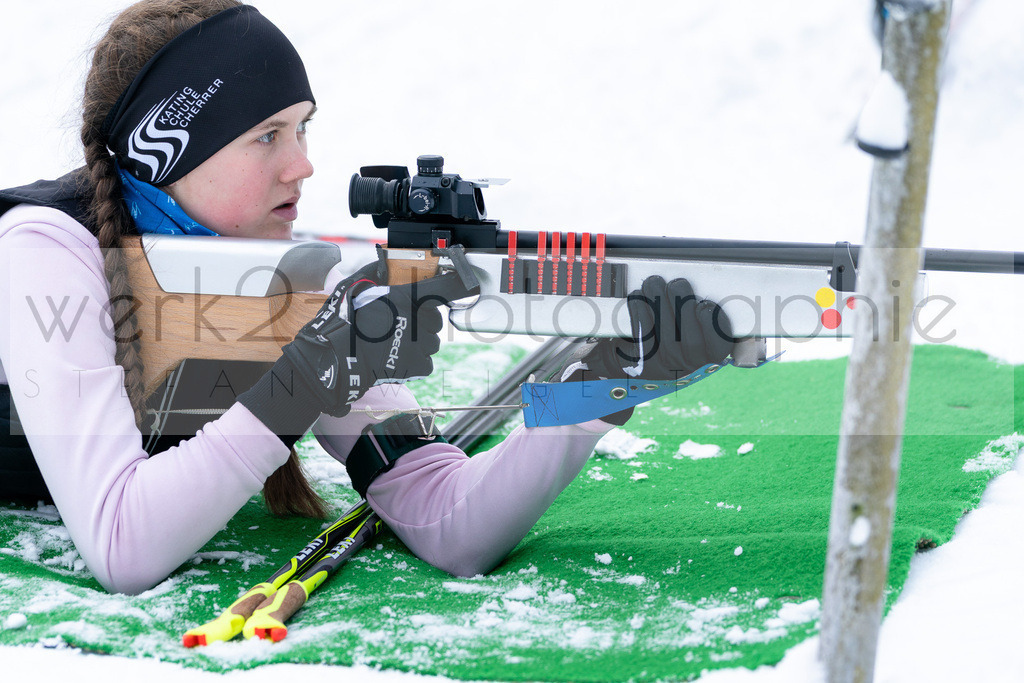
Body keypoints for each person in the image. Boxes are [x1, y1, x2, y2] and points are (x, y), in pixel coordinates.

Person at [0, 0, 732, 595]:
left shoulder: (274, 276)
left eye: (303, 127)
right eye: (267, 136)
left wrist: (591, 396)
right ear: (167, 149)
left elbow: (448, 519)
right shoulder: (45, 250)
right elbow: (123, 544)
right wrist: (309, 375)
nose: (304, 163)